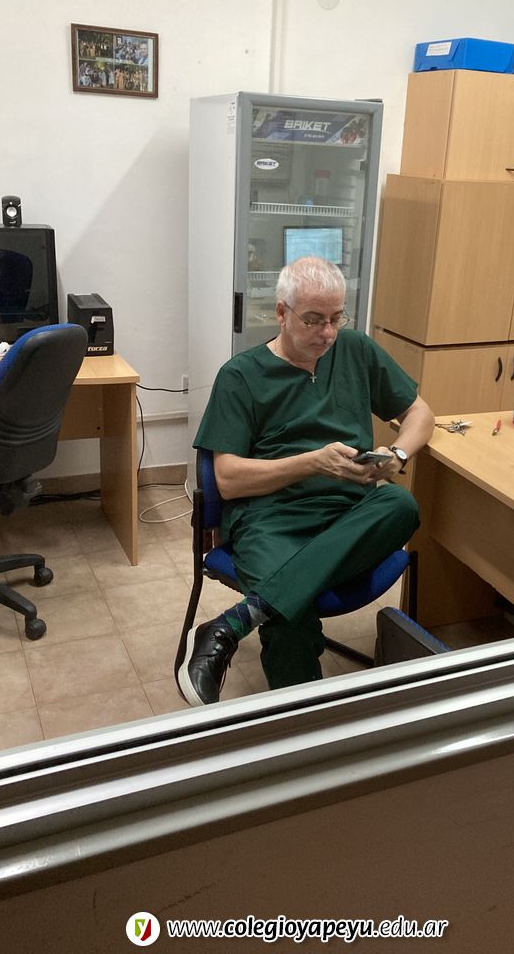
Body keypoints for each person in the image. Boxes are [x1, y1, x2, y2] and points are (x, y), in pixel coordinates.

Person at [177, 256, 434, 706]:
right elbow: (229, 480)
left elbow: (420, 413)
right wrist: (313, 463)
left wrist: (396, 454)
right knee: (290, 618)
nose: (328, 333)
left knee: (400, 505)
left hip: (348, 513)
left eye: (336, 318)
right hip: (270, 518)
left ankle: (236, 621)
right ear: (281, 313)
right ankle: (304, 724)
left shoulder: (355, 350)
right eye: (314, 320)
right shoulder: (241, 376)